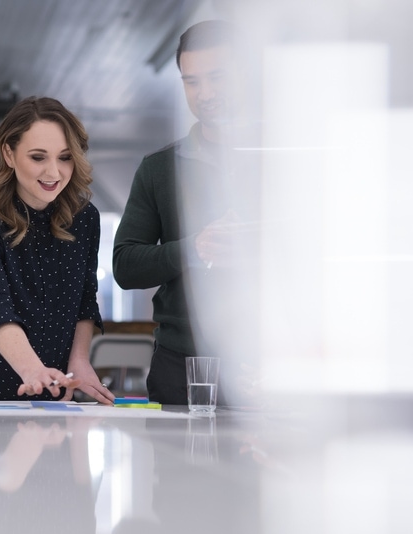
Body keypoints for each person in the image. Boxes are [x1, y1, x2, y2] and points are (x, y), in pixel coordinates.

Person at [113, 20, 258, 405]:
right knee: (181, 466)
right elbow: (125, 266)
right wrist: (195, 248)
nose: (204, 93)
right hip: (182, 366)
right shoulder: (159, 168)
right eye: (191, 82)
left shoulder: (283, 161)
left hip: (270, 362)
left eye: (217, 77)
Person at [0, 96, 115, 404]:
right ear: (9, 153)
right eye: (38, 157)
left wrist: (79, 361)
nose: (54, 173)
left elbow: (86, 299)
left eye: (65, 157)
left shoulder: (86, 219)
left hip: (50, 385)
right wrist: (33, 370)